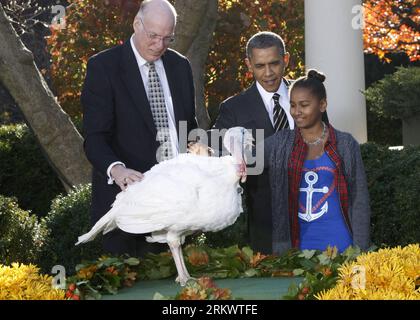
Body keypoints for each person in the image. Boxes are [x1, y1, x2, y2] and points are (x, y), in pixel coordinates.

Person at [81, 0, 198, 257]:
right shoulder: (103, 67)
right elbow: (94, 138)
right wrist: (117, 169)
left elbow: (189, 129)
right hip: (128, 206)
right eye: (153, 36)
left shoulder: (180, 66)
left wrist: (198, 148)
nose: (159, 45)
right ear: (137, 24)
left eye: (168, 38)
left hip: (176, 205)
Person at [212, 31, 309, 253]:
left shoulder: (308, 94)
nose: (268, 73)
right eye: (259, 66)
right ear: (248, 65)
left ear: (285, 59)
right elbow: (218, 152)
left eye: (274, 64)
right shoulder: (234, 108)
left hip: (313, 207)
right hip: (263, 219)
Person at [264, 69, 371, 254]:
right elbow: (245, 155)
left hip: (342, 247)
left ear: (322, 105)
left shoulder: (345, 144)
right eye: (293, 105)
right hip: (295, 250)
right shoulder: (280, 143)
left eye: (304, 105)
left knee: (353, 284)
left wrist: (360, 249)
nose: (296, 112)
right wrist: (203, 146)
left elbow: (359, 199)